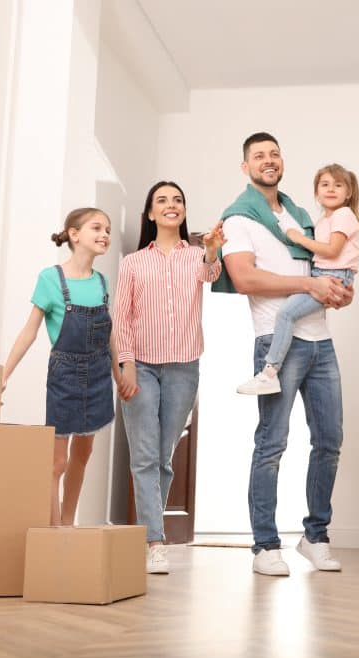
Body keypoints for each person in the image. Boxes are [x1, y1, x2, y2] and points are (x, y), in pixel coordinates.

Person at [213, 132, 353, 576]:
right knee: (271, 445)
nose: (268, 161)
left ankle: (315, 537)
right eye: (258, 156)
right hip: (276, 338)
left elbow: (320, 267)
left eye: (274, 154)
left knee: (329, 442)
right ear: (245, 167)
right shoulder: (238, 219)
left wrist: (335, 291)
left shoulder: (298, 213)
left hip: (320, 341)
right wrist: (308, 285)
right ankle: (264, 546)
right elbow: (246, 279)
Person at [115, 181, 225, 574]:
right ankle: (154, 541)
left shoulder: (196, 255)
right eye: (162, 200)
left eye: (177, 200)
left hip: (183, 366)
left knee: (163, 457)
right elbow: (122, 318)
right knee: (144, 457)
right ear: (150, 213)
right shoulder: (132, 262)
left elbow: (211, 275)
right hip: (140, 366)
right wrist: (125, 364)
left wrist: (212, 250)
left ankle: (152, 531)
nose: (171, 205)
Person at [2, 207, 117, 527]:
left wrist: (120, 376)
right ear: (74, 234)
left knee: (82, 457)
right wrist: (4, 373)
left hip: (98, 375)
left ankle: (68, 525)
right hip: (65, 375)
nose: (105, 234)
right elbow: (30, 330)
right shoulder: (50, 278)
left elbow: (109, 335)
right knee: (58, 462)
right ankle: (53, 533)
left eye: (107, 229)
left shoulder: (102, 282)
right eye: (97, 227)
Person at [236, 163, 359, 395]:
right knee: (288, 312)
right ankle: (270, 373)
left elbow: (332, 251)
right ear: (316, 192)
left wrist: (296, 238)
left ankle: (269, 372)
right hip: (325, 276)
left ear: (349, 192)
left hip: (332, 276)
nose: (331, 189)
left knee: (285, 313)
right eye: (324, 185)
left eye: (338, 185)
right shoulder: (324, 219)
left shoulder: (343, 214)